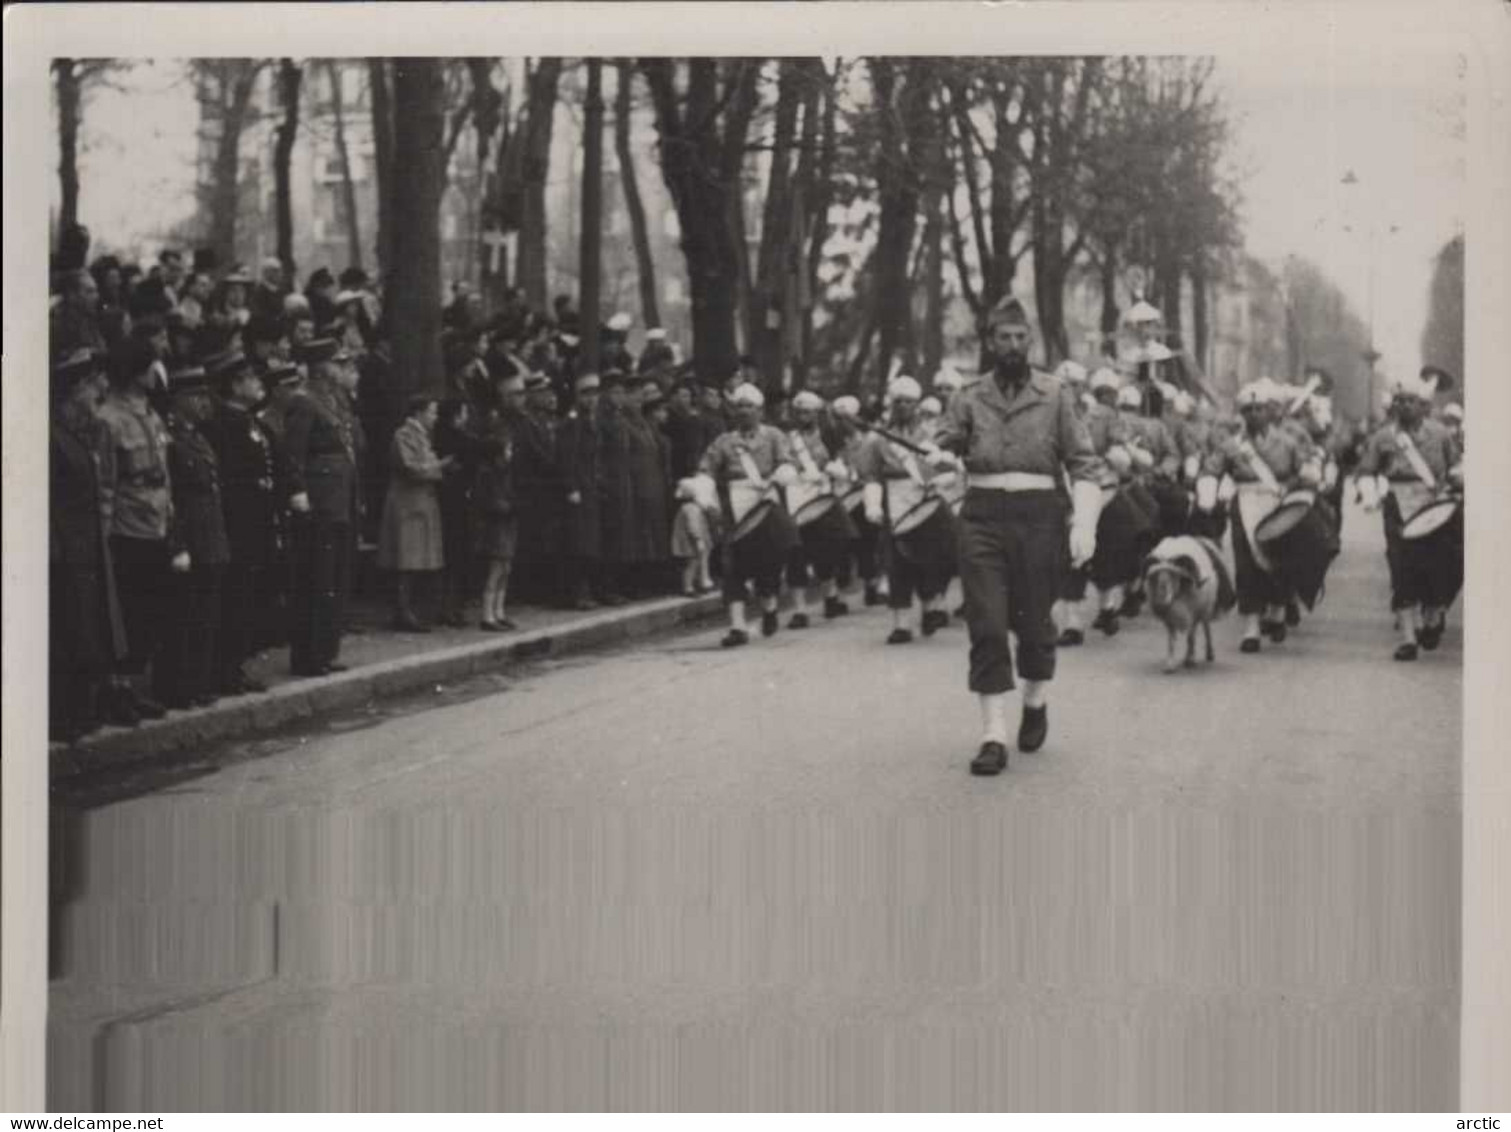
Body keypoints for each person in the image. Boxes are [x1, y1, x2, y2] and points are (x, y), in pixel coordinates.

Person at [928, 295, 1106, 777]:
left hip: (1040, 518)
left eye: (1019, 338)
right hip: (982, 517)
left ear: (1030, 342)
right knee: (986, 622)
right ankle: (992, 735)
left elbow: (1084, 462)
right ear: (990, 342)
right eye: (1003, 338)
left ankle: (1036, 698)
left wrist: (1084, 520)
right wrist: (942, 462)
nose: (1011, 346)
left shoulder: (1056, 395)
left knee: (1033, 624)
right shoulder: (967, 396)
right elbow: (941, 447)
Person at [1194, 378, 1322, 653]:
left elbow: (1306, 472)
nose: (1253, 415)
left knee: (1281, 560)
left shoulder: (1288, 442)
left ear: (1270, 411)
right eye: (1248, 410)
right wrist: (1207, 490)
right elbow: (1211, 470)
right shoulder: (1231, 445)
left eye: (1259, 409)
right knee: (1246, 564)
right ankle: (1251, 625)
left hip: (1279, 504)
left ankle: (1277, 610)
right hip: (1244, 503)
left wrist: (1308, 479)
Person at [1356, 373, 1463, 659]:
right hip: (1398, 505)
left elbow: (1455, 465)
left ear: (1424, 406)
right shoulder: (1383, 437)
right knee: (1402, 567)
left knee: (1439, 565)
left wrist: (1458, 480)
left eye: (1411, 402)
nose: (1404, 407)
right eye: (1400, 401)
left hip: (1437, 504)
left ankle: (1432, 615)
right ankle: (1407, 638)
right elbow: (1366, 470)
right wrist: (1369, 491)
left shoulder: (1441, 434)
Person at [50, 349, 129, 738]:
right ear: (72, 391)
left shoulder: (75, 434)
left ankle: (79, 711)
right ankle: (64, 717)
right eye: (86, 385)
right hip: (65, 552)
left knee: (85, 629)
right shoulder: (53, 437)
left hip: (85, 550)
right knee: (68, 631)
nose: (93, 392)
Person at [97, 337, 177, 721]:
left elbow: (163, 467)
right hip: (127, 526)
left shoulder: (150, 413)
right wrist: (105, 533)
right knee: (127, 612)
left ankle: (134, 686)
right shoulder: (109, 419)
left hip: (155, 520)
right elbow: (106, 483)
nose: (156, 372)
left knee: (149, 610)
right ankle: (118, 691)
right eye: (151, 365)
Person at [855, 376, 960, 645]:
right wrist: (873, 503)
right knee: (898, 562)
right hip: (896, 501)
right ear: (891, 403)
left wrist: (940, 477)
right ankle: (901, 623)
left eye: (909, 402)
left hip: (929, 499)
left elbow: (952, 469)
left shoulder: (933, 434)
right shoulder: (876, 439)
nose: (903, 406)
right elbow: (871, 476)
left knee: (937, 556)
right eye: (898, 401)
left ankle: (931, 608)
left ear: (917, 404)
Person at [693, 383, 800, 647]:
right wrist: (704, 493)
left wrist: (781, 474)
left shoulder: (774, 436)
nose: (744, 411)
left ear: (760, 410)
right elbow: (706, 468)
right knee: (733, 566)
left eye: (749, 406)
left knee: (769, 563)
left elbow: (787, 462)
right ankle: (737, 626)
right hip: (736, 506)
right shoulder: (724, 441)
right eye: (739, 406)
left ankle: (770, 607)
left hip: (767, 503)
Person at [283, 338, 365, 676]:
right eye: (337, 362)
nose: (343, 368)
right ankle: (309, 655)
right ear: (320, 367)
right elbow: (293, 454)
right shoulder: (304, 401)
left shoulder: (335, 399)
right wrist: (298, 491)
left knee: (335, 578)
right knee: (316, 578)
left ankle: (327, 649)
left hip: (339, 499)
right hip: (319, 502)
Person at [206, 350, 284, 695]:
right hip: (239, 522)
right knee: (236, 596)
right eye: (251, 378)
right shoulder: (224, 423)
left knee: (249, 595)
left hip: (257, 520)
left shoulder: (251, 421)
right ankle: (225, 669)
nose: (258, 384)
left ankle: (234, 665)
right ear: (235, 384)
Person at [155, 362, 231, 710]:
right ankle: (176, 687)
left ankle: (197, 683)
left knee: (204, 615)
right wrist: (177, 543)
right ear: (179, 400)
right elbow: (169, 497)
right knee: (181, 617)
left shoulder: (197, 436)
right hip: (190, 537)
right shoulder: (170, 440)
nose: (205, 403)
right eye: (197, 396)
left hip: (210, 537)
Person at [377, 396, 450, 631]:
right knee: (406, 559)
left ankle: (412, 610)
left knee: (417, 558)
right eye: (432, 412)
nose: (435, 417)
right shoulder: (404, 435)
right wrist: (439, 467)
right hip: (408, 504)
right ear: (418, 413)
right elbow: (411, 468)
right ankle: (402, 610)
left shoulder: (420, 436)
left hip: (419, 503)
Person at [783, 389, 856, 625]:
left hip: (823, 495)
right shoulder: (786, 437)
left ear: (817, 414)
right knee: (796, 552)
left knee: (828, 548)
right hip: (795, 495)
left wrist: (839, 470)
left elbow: (843, 460)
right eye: (799, 411)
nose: (803, 416)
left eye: (808, 412)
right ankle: (799, 610)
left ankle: (831, 597)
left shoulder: (830, 435)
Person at [474, 373, 525, 631]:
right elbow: (490, 498)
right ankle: (488, 614)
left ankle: (499, 610)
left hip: (508, 519)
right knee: (496, 567)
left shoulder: (505, 470)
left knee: (505, 567)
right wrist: (505, 506)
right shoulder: (490, 472)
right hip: (497, 522)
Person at [829, 394, 886, 607]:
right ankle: (841, 593)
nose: (840, 423)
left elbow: (879, 468)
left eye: (845, 418)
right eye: (837, 418)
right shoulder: (836, 441)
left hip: (867, 494)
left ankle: (872, 585)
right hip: (844, 496)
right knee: (842, 544)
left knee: (869, 541)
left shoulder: (872, 440)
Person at [558, 372, 606, 609]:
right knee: (578, 542)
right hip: (579, 488)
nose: (592, 399)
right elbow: (568, 457)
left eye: (595, 394)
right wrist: (571, 487)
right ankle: (576, 593)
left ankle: (586, 590)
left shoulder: (590, 419)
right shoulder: (573, 421)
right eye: (587, 395)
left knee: (589, 541)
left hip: (590, 486)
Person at [432, 399, 480, 627]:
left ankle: (444, 606)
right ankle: (452, 608)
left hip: (442, 500)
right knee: (458, 554)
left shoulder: (436, 436)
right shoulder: (462, 439)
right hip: (458, 501)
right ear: (457, 415)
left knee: (447, 555)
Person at [671, 477, 717, 596]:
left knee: (694, 563)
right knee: (692, 563)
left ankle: (694, 584)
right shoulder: (692, 508)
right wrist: (698, 540)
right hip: (690, 542)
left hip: (691, 541)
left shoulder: (687, 507)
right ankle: (688, 587)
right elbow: (693, 526)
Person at [50, 269, 105, 356]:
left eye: (96, 291)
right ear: (72, 295)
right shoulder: (56, 327)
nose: (96, 296)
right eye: (89, 292)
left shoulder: (89, 319)